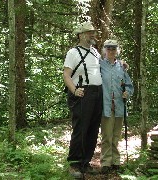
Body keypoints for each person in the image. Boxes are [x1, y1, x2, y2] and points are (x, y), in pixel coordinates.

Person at [63, 21, 102, 179]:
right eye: (88, 32)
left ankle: (85, 162)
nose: (92, 34)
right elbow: (66, 75)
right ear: (80, 35)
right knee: (80, 128)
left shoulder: (95, 52)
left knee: (93, 128)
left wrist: (120, 64)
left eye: (93, 32)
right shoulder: (73, 52)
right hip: (82, 93)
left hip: (97, 93)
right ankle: (74, 164)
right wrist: (74, 90)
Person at [99, 39, 134, 174]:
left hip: (119, 106)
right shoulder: (99, 65)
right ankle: (106, 162)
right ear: (105, 50)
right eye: (108, 48)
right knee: (106, 136)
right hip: (106, 106)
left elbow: (129, 85)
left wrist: (127, 92)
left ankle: (116, 161)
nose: (111, 51)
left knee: (115, 135)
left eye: (113, 49)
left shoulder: (122, 67)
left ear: (117, 50)